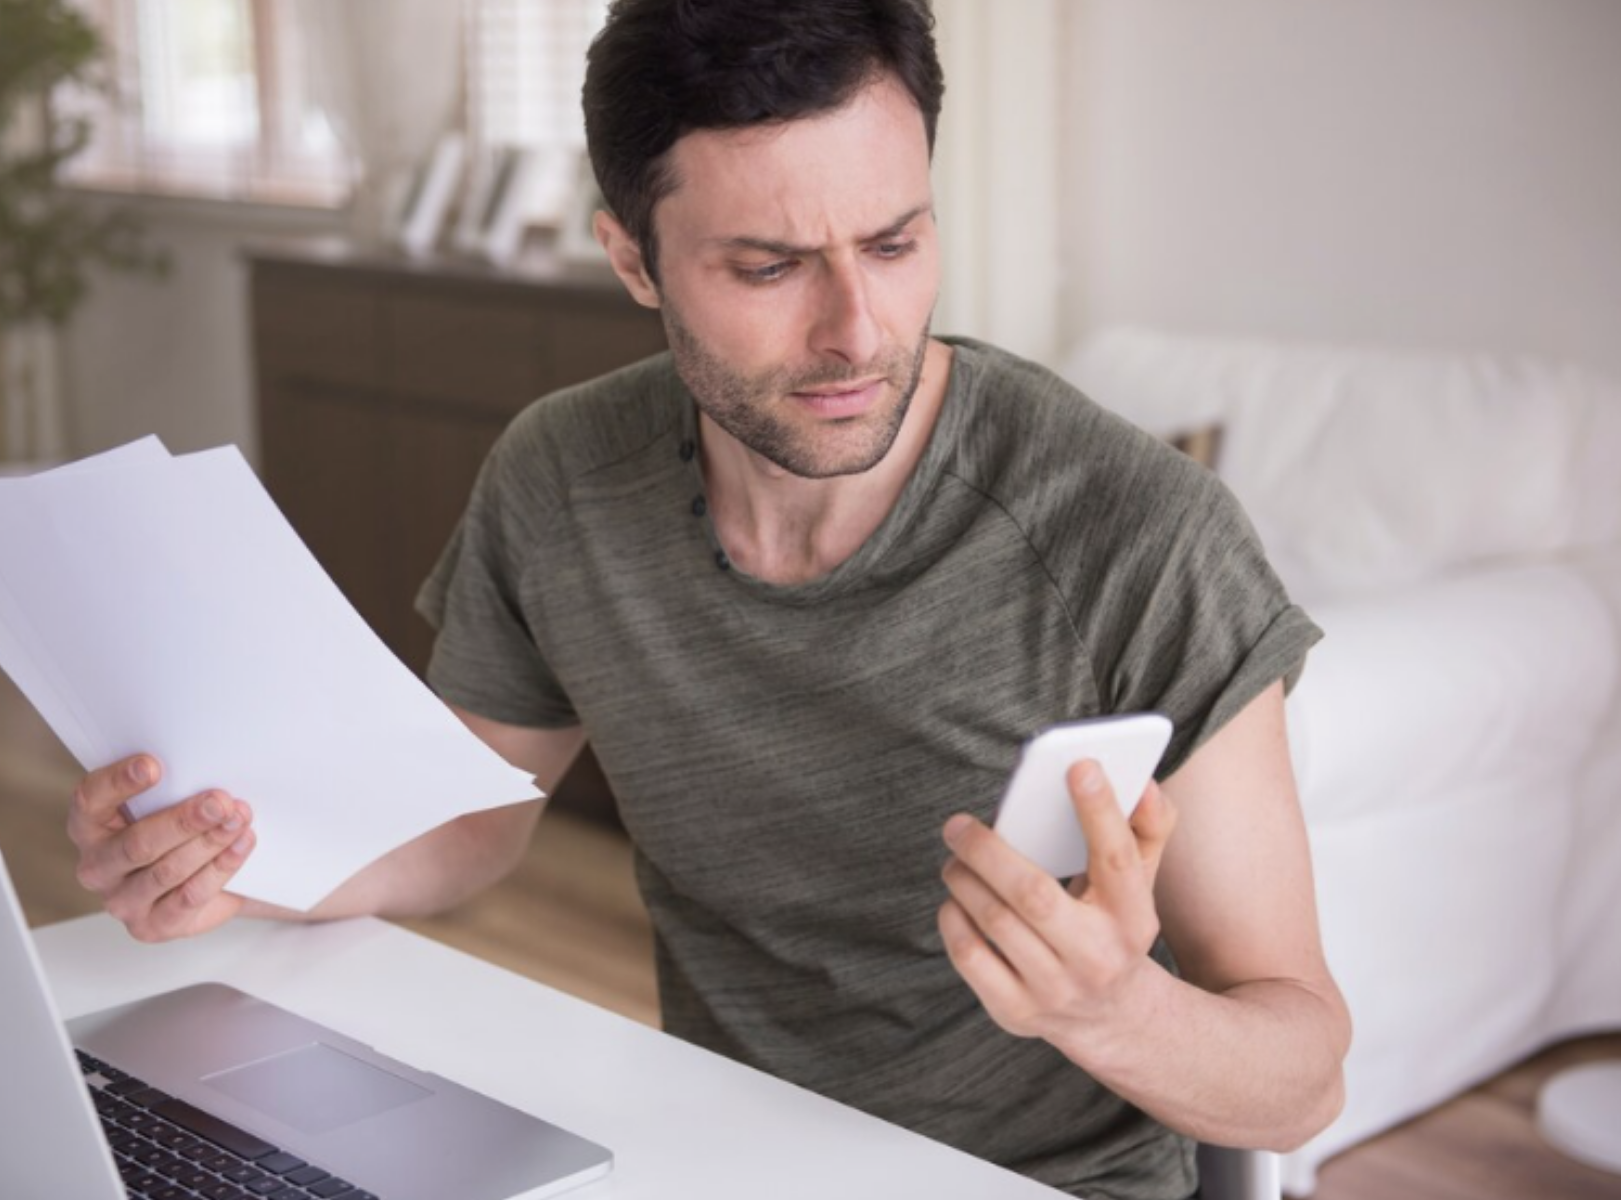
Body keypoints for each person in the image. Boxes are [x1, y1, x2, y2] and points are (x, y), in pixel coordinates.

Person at [65, 2, 1350, 1196]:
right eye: (770, 267)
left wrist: (1109, 1007)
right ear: (632, 258)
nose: (858, 330)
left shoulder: (1139, 538)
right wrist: (249, 864)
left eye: (896, 243)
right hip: (711, 1152)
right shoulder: (561, 479)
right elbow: (471, 821)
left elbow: (1302, 1079)